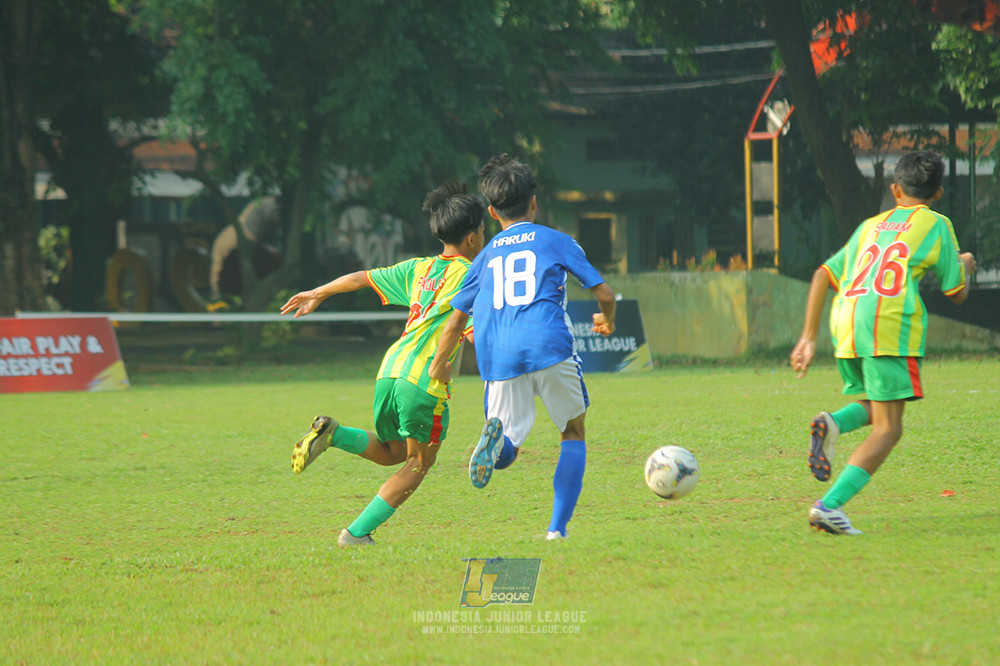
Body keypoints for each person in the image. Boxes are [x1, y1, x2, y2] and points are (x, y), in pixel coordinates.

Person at [280, 182, 485, 546]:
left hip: (390, 370)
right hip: (422, 379)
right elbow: (466, 329)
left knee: (393, 453)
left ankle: (334, 434)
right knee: (418, 463)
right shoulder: (475, 276)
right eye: (483, 231)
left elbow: (362, 278)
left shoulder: (420, 269)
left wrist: (318, 292)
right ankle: (356, 534)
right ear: (472, 238)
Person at [429, 154, 617, 540]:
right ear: (534, 203)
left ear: (493, 213)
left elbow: (455, 321)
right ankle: (556, 530)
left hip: (497, 354)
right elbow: (605, 292)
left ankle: (499, 443)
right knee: (572, 432)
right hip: (549, 343)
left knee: (507, 448)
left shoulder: (483, 258)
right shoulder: (557, 241)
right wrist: (607, 319)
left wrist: (438, 365)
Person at [790, 150, 976, 535]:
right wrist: (966, 266)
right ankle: (829, 506)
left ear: (895, 189)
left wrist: (808, 339)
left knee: (876, 406)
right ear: (937, 193)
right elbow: (955, 291)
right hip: (889, 326)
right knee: (889, 429)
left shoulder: (870, 226)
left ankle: (833, 423)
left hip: (846, 324)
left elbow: (823, 275)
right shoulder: (937, 224)